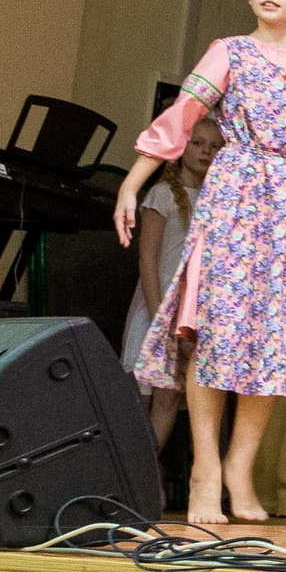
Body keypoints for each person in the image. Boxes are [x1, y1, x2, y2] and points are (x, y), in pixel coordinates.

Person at [111, 0, 286, 524]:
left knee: (274, 344)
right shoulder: (229, 52)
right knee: (214, 334)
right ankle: (206, 466)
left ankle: (241, 464)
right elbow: (181, 117)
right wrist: (133, 184)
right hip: (233, 201)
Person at [117, 113, 223, 455]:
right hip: (154, 305)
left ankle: (146, 472)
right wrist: (158, 316)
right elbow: (147, 260)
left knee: (168, 397)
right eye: (197, 144)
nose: (206, 152)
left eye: (214, 146)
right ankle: (127, 475)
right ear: (182, 148)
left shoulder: (219, 201)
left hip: (189, 311)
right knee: (139, 398)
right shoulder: (162, 194)